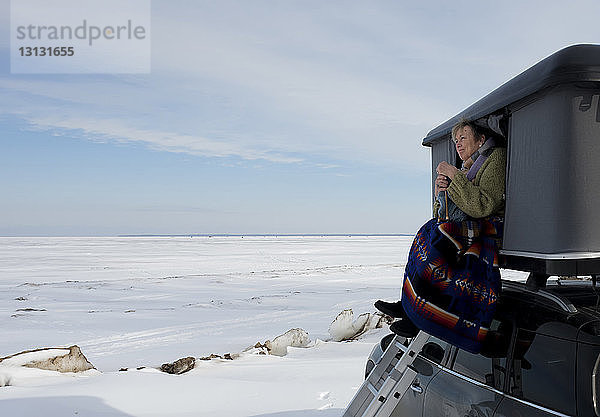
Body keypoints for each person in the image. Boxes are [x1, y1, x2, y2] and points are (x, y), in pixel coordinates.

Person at [376, 119, 507, 353]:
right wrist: (441, 192)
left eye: (463, 138)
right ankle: (408, 305)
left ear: (481, 140)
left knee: (438, 243)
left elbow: (483, 205)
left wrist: (454, 177)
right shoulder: (468, 167)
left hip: (488, 225)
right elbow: (442, 213)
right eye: (456, 140)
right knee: (425, 235)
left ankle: (415, 316)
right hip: (467, 225)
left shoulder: (494, 158)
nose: (458, 144)